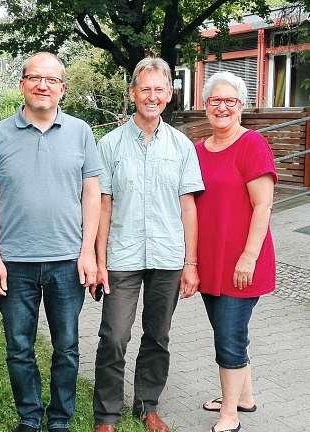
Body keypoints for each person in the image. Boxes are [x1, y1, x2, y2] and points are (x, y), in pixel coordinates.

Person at [0, 52, 102, 432]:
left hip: (67, 261)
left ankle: (60, 419)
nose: (43, 85)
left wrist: (88, 253)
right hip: (14, 262)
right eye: (35, 78)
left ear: (63, 89)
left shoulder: (81, 132)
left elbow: (92, 194)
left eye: (51, 80)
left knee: (67, 347)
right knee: (19, 347)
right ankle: (30, 418)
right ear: (22, 84)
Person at [91, 57, 204, 432]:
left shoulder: (182, 146)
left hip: (168, 256)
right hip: (121, 255)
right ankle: (107, 414)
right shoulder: (108, 145)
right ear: (132, 93)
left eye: (159, 90)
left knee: (158, 335)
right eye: (145, 89)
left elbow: (188, 205)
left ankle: (147, 403)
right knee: (114, 335)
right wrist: (97, 258)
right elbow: (103, 205)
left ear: (169, 95)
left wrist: (191, 263)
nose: (151, 97)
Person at [195, 71, 277, 432]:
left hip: (243, 264)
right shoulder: (197, 150)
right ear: (206, 105)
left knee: (228, 337)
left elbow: (263, 207)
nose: (222, 107)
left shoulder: (252, 145)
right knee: (231, 333)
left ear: (241, 106)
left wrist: (248, 257)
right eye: (216, 100)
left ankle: (230, 413)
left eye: (230, 101)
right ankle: (244, 396)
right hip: (211, 262)